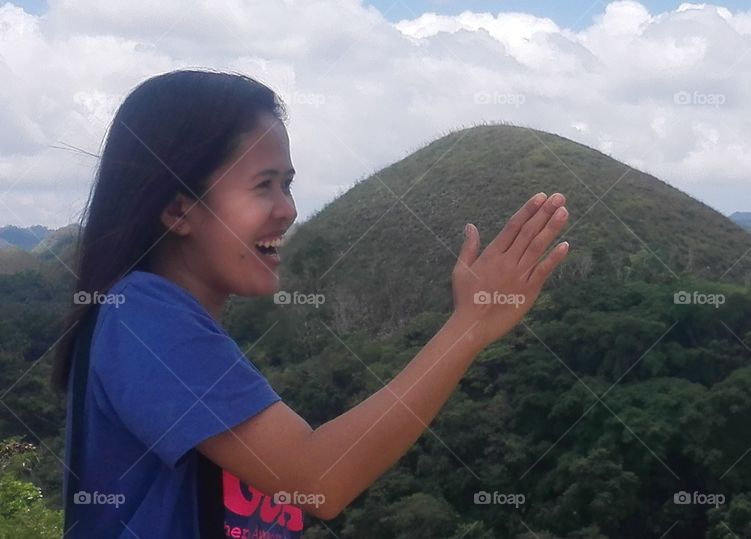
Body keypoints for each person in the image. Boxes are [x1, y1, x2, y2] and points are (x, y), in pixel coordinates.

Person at [51, 69, 570, 538]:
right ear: (178, 209)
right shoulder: (143, 316)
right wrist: (468, 327)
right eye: (264, 186)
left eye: (288, 184)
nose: (288, 210)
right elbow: (319, 479)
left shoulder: (170, 322)